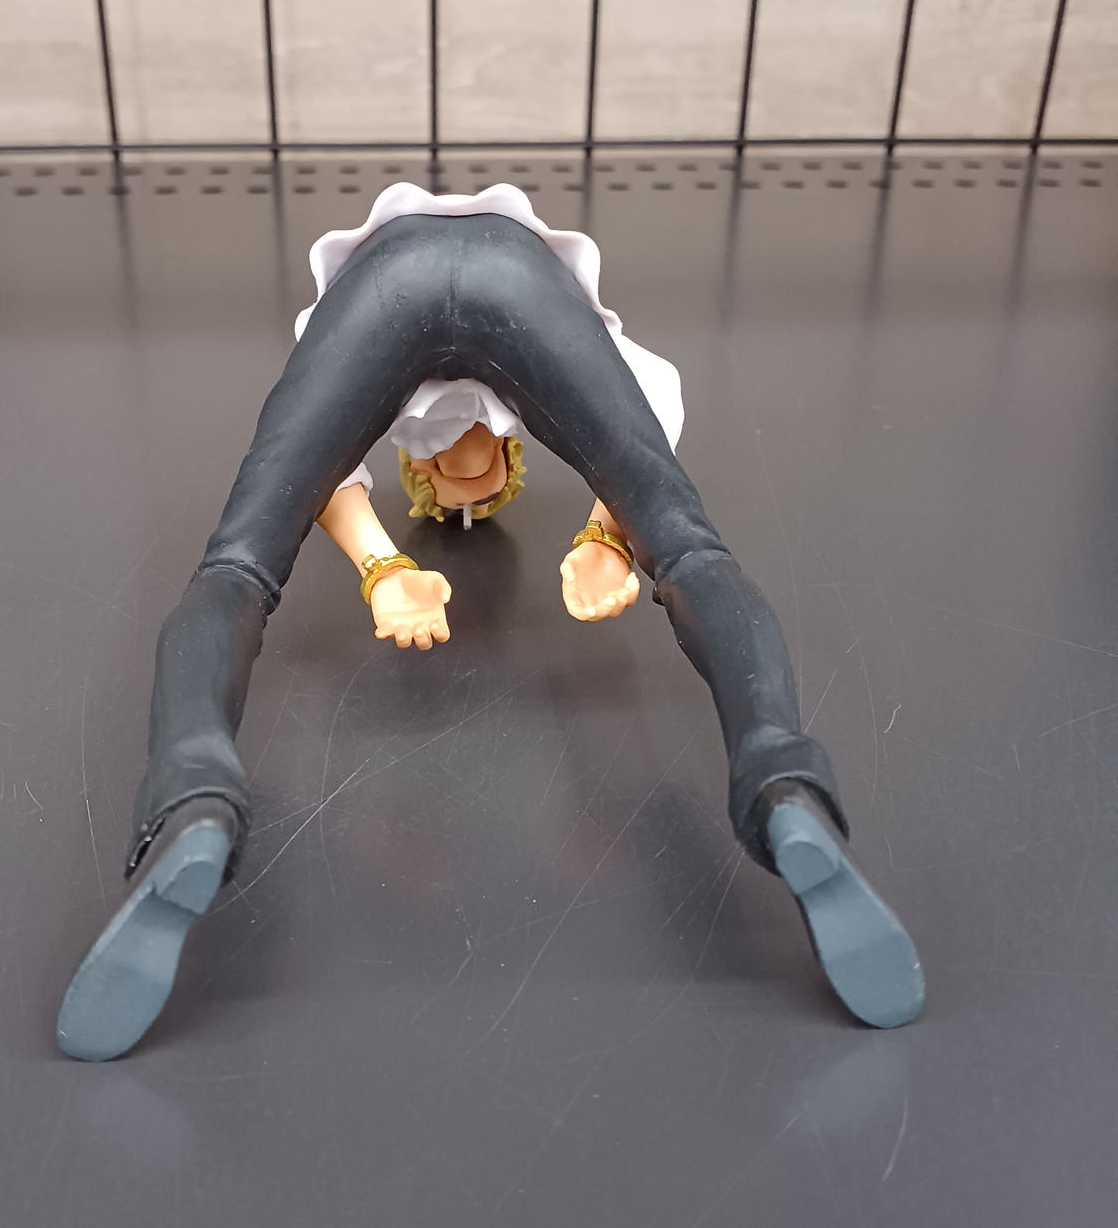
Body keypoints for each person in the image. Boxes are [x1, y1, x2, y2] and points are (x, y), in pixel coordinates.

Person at [57, 184, 923, 1061]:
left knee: (237, 568)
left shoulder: (353, 354)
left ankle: (192, 798)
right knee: (694, 552)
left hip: (381, 286)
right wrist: (610, 535)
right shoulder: (562, 335)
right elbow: (652, 427)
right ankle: (782, 781)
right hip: (521, 276)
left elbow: (323, 479)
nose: (468, 480)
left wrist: (383, 568)